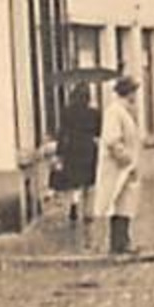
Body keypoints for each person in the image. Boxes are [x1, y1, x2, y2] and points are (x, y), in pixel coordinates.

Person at [95, 76, 143, 255]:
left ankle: (122, 241)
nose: (135, 95)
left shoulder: (124, 111)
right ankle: (119, 243)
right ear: (127, 93)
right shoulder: (114, 112)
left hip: (124, 168)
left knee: (126, 204)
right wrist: (127, 159)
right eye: (133, 92)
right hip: (117, 168)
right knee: (119, 204)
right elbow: (112, 140)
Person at [54, 84, 101, 223]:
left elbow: (62, 133)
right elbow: (98, 132)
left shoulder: (67, 112)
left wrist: (59, 153)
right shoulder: (94, 113)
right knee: (88, 183)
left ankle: (74, 204)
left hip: (72, 149)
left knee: (75, 182)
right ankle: (87, 213)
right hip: (88, 148)